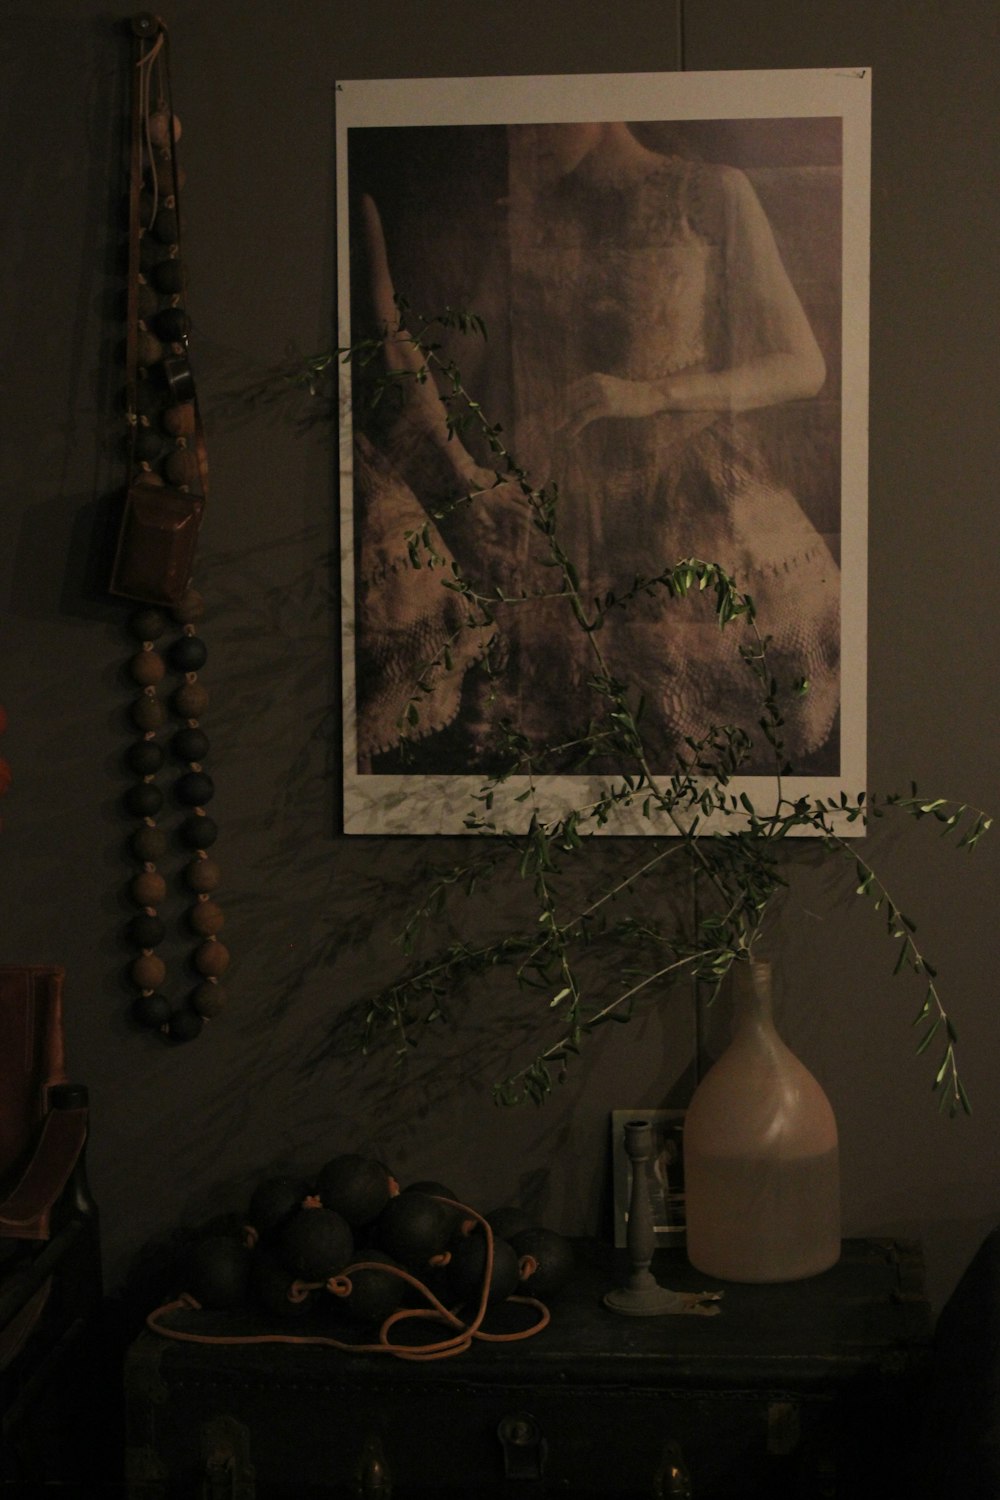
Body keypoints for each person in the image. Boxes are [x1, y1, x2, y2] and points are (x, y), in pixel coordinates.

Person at [352, 120, 841, 778]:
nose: (522, 140)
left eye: (543, 120)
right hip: (564, 519)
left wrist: (652, 396)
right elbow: (462, 369)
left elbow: (802, 366)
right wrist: (393, 344)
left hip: (693, 504)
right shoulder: (522, 222)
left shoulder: (711, 192)